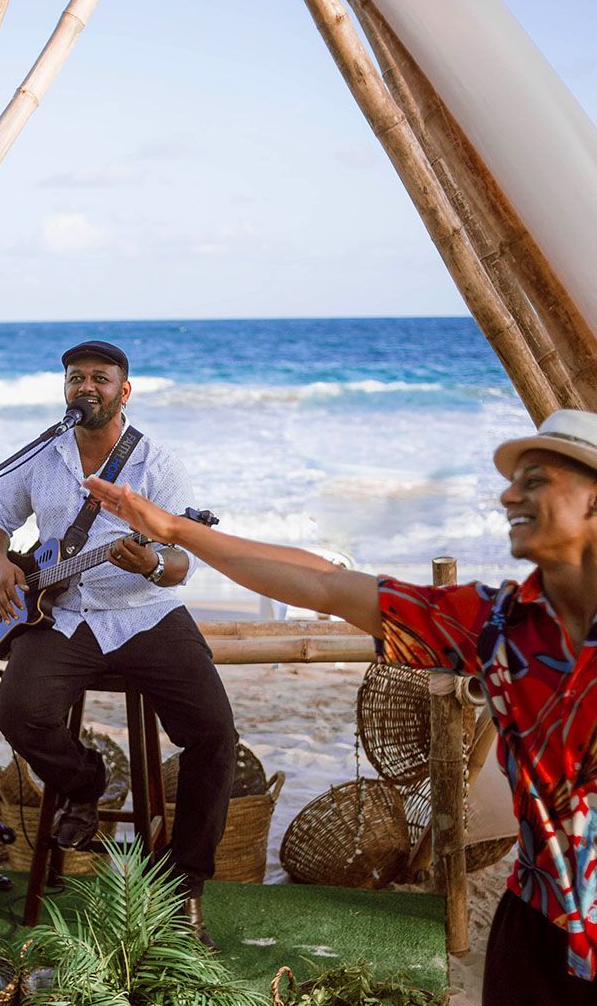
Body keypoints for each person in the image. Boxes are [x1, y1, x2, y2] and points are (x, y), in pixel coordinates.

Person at [86, 408, 597, 1005]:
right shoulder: (497, 627)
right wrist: (175, 530)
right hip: (535, 930)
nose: (509, 492)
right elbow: (326, 584)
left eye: (536, 479)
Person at [0, 341, 235, 947]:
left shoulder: (156, 464)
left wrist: (149, 565)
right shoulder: (44, 455)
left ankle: (185, 886)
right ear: (64, 389)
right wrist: (0, 566)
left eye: (100, 377)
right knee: (18, 712)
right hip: (61, 615)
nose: (86, 386)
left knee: (215, 733)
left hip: (145, 613)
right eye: (75, 378)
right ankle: (87, 784)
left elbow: (179, 565)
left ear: (124, 389)